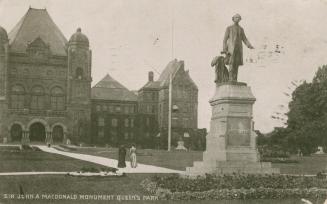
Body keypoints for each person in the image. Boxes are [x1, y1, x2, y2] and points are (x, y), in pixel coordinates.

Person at [222, 14, 254, 81]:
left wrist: (249, 45)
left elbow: (244, 38)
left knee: (236, 64)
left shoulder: (241, 29)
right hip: (231, 49)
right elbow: (225, 40)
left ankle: (235, 79)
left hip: (238, 49)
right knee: (231, 63)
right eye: (236, 17)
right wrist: (225, 49)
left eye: (239, 18)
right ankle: (230, 79)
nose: (237, 19)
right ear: (233, 19)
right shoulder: (229, 28)